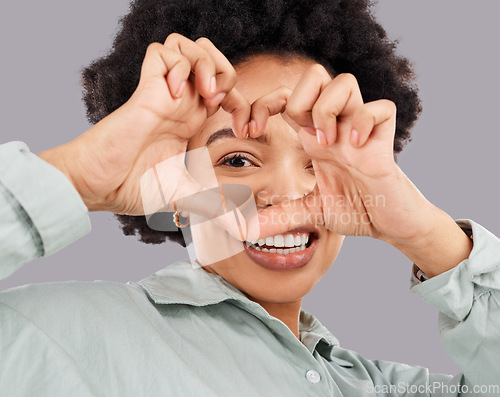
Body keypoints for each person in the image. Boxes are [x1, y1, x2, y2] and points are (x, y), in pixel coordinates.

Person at [1, 0, 499, 395]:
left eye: (318, 163)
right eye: (237, 160)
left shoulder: (374, 388)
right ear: (176, 189)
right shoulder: (58, 335)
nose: (287, 193)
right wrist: (80, 174)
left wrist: (426, 234)